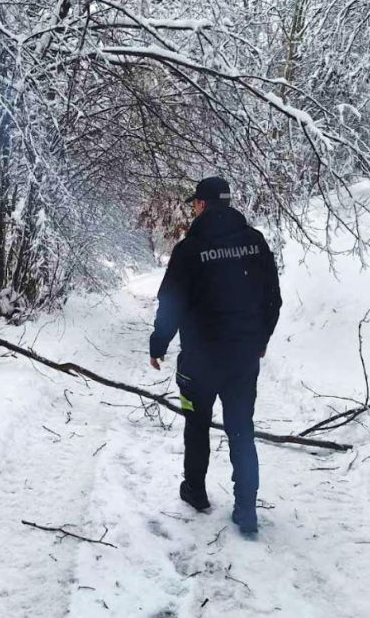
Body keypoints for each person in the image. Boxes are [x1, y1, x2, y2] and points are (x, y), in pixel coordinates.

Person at [149, 177, 281, 535]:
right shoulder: (255, 243)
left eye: (195, 204)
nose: (193, 208)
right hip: (242, 360)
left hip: (199, 363)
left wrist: (158, 343)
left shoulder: (190, 250)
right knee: (242, 431)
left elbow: (171, 304)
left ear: (203, 205)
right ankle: (246, 509)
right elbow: (273, 298)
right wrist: (261, 338)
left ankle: (195, 491)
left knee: (196, 425)